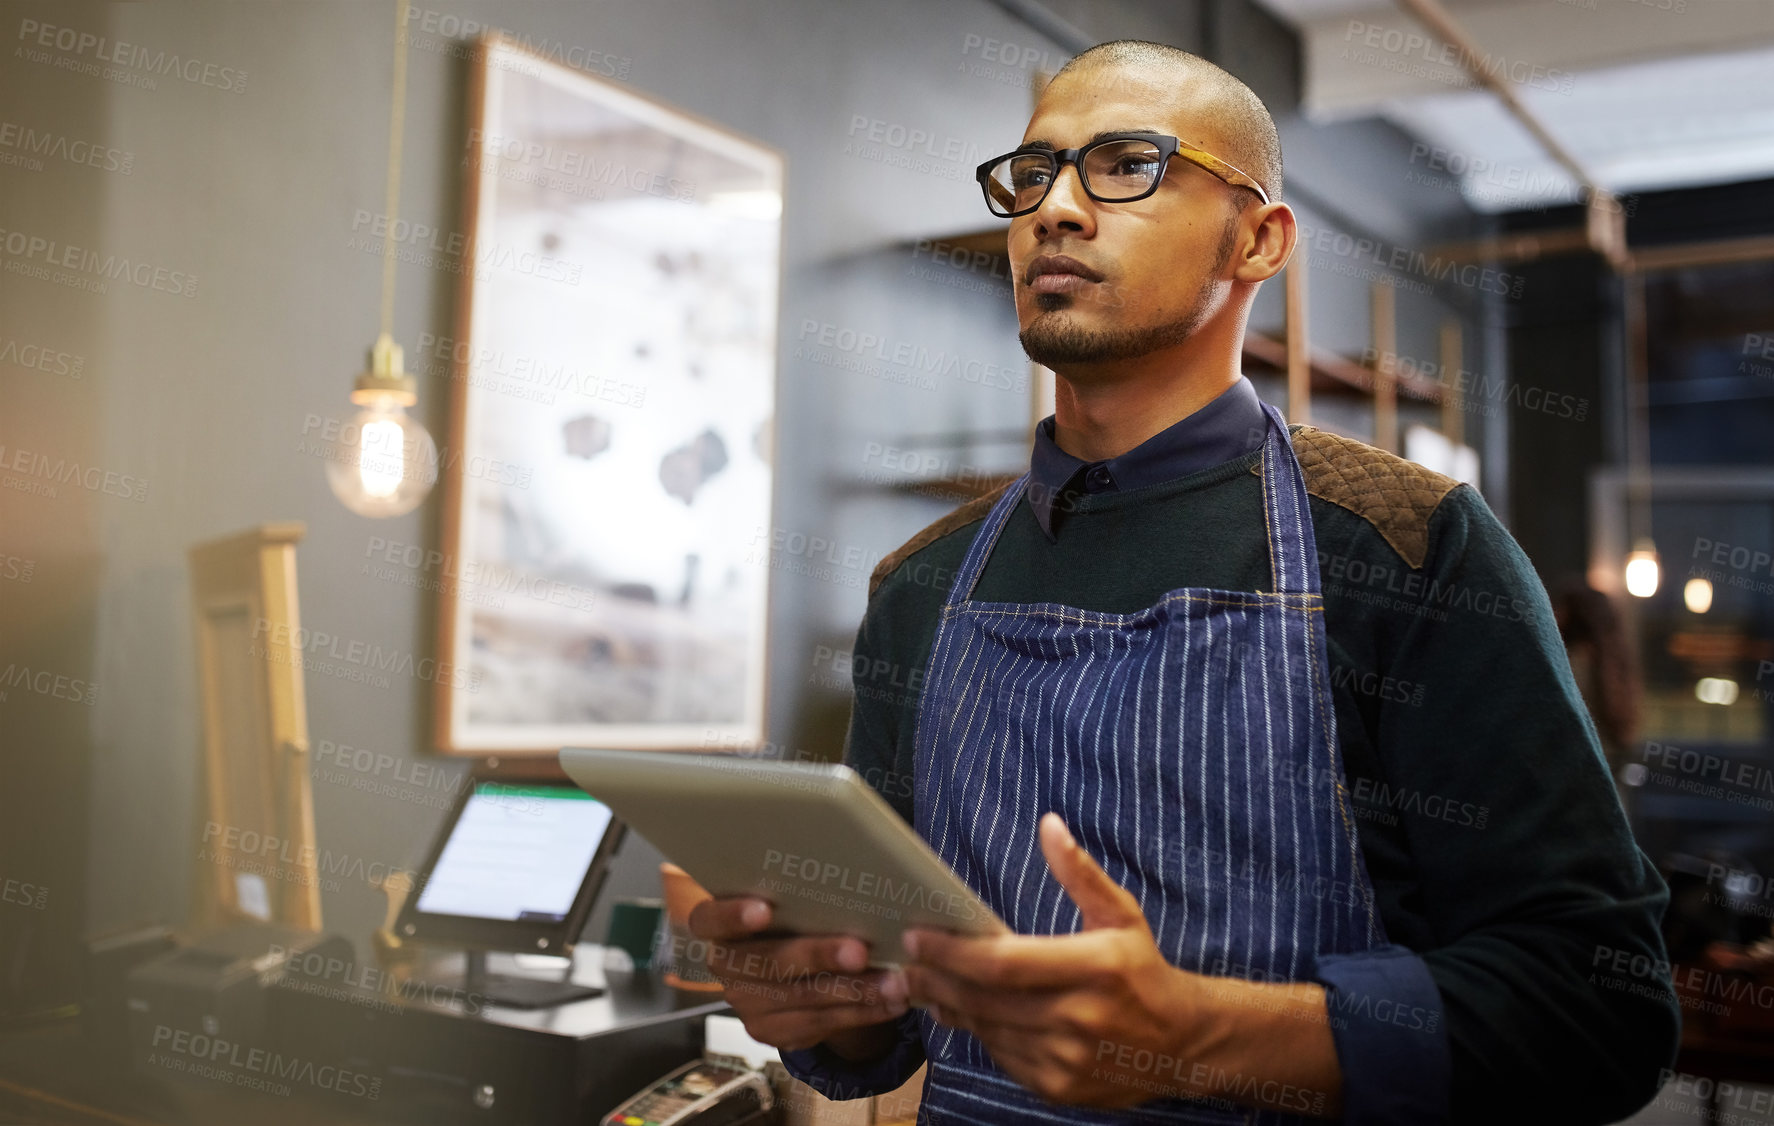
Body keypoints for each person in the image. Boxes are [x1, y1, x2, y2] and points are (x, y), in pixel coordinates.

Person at [688, 39, 1679, 1124]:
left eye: (1124, 165)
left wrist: (1200, 1038)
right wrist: (814, 1000)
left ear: (1257, 239)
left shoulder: (1404, 546)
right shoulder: (921, 584)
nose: (1054, 210)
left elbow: (1597, 1001)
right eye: (1032, 174)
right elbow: (886, 1020)